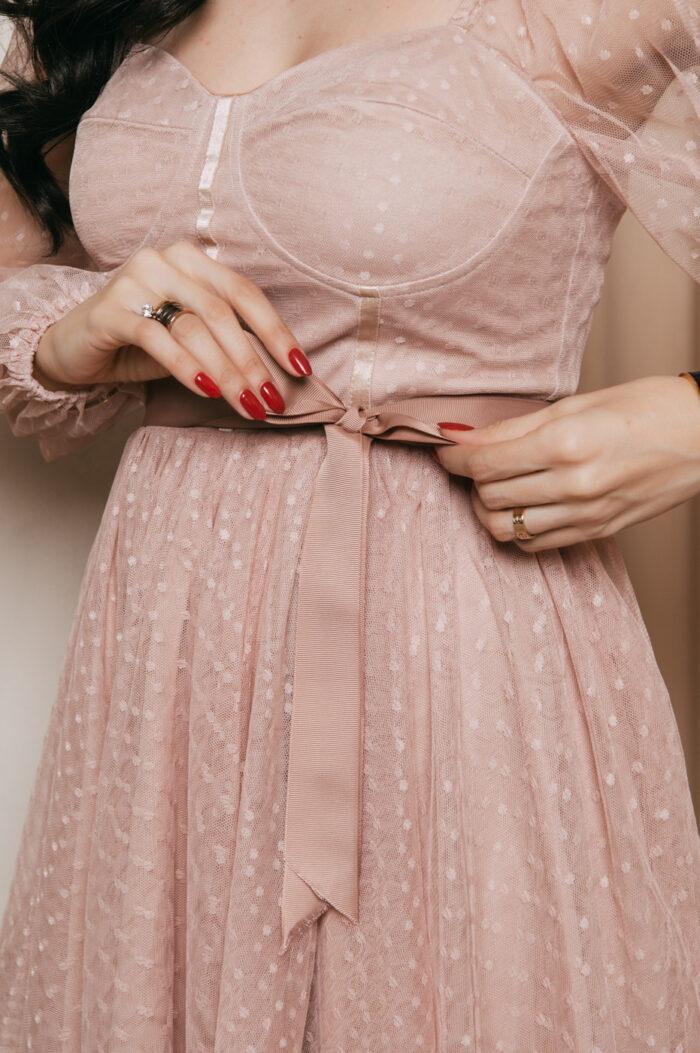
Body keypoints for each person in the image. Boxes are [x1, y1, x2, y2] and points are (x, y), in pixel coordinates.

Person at [0, 0, 698, 1048]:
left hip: (459, 634)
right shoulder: (94, 11)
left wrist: (691, 420)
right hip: (165, 653)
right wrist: (66, 336)